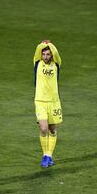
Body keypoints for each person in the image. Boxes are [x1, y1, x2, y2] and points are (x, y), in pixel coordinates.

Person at [33, 40, 62, 168]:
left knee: (52, 129)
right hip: (40, 101)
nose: (45, 56)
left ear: (51, 55)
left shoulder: (56, 65)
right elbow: (37, 50)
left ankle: (49, 155)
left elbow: (56, 53)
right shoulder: (37, 63)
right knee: (43, 128)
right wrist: (43, 44)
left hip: (54, 102)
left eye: (48, 54)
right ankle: (45, 155)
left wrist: (50, 45)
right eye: (43, 54)